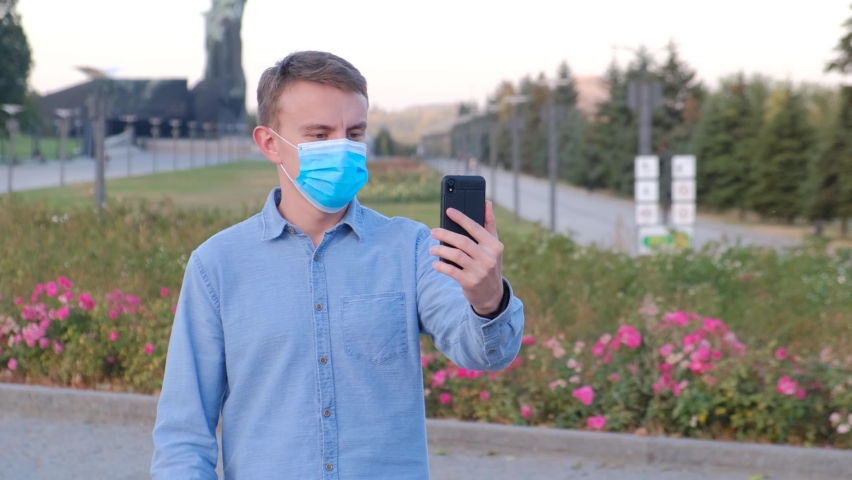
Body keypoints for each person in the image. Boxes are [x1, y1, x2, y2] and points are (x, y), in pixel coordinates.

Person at [151, 50, 525, 479]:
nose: (343, 148)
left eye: (354, 133)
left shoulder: (411, 248)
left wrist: (487, 300)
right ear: (270, 143)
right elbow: (183, 437)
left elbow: (484, 353)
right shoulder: (216, 266)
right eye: (320, 134)